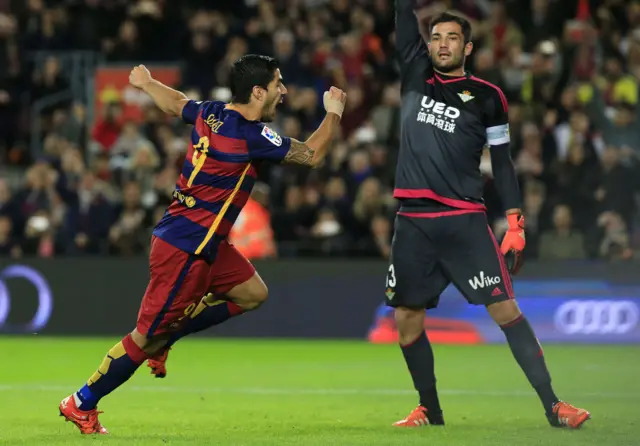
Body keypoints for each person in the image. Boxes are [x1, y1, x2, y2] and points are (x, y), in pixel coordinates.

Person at [58, 55, 347, 435]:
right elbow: (312, 154)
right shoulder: (250, 135)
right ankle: (81, 402)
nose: (284, 91)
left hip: (205, 242)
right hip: (185, 248)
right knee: (143, 338)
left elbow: (176, 102)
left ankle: (170, 336)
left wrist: (146, 84)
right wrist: (334, 113)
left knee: (252, 293)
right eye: (278, 84)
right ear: (258, 92)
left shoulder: (210, 113)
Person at [387, 0, 589, 429]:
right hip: (414, 224)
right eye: (436, 37)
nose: (442, 44)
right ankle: (431, 411)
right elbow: (403, 17)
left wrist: (514, 219)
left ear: (468, 47)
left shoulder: (488, 98)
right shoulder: (414, 74)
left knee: (505, 311)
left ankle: (554, 405)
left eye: (452, 38)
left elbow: (503, 162)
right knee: (406, 321)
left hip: (464, 222)